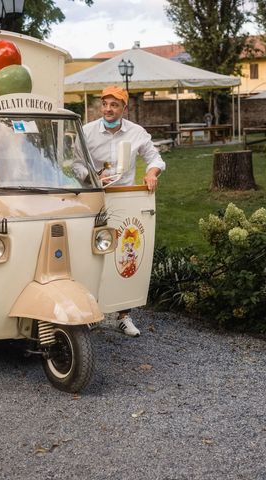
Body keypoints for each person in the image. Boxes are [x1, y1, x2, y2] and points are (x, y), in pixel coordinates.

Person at [82, 85, 166, 336]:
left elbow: (155, 158)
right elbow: (75, 164)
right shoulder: (87, 132)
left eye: (114, 105)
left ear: (123, 108)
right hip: (94, 198)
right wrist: (94, 177)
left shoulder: (136, 132)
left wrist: (152, 173)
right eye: (105, 104)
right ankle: (91, 313)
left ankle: (123, 315)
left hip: (125, 200)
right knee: (92, 254)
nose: (108, 109)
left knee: (125, 254)